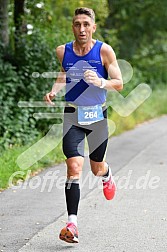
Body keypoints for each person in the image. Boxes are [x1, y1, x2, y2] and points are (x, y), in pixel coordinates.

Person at [44, 7, 123, 243]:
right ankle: (72, 224)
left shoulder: (104, 51)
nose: (81, 28)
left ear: (93, 27)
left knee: (96, 167)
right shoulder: (63, 51)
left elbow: (119, 83)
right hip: (73, 115)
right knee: (74, 168)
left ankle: (107, 175)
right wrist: (54, 91)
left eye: (86, 24)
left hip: (97, 117)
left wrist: (100, 81)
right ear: (72, 27)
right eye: (77, 24)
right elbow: (64, 73)